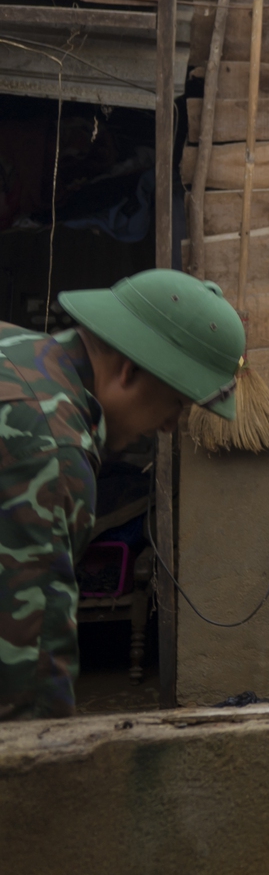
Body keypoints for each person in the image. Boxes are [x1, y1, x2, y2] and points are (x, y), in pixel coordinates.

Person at [1, 269, 245, 720]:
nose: (172, 425)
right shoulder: (51, 452)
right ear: (130, 369)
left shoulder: (13, 348)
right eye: (177, 401)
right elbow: (23, 691)